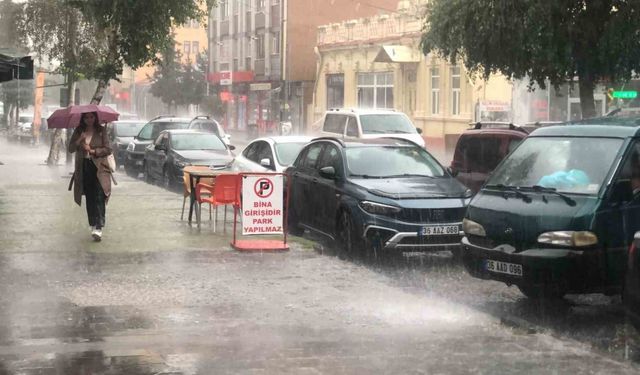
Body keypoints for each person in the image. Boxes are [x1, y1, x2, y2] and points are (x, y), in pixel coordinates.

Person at [68, 112, 112, 241]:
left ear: (95, 118)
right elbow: (70, 148)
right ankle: (93, 224)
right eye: (86, 117)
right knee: (90, 197)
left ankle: (99, 227)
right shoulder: (79, 130)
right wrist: (79, 140)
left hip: (99, 168)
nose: (89, 120)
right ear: (83, 118)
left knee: (99, 195)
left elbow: (108, 149)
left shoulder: (101, 130)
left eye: (92, 117)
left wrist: (93, 151)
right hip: (84, 167)